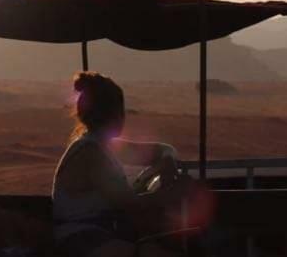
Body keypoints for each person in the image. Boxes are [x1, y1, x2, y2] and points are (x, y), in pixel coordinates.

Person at [52, 71, 192, 257]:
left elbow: (161, 150)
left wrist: (166, 159)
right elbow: (129, 203)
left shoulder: (103, 144)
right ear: (116, 113)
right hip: (83, 238)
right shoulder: (91, 153)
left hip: (102, 233)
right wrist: (169, 194)